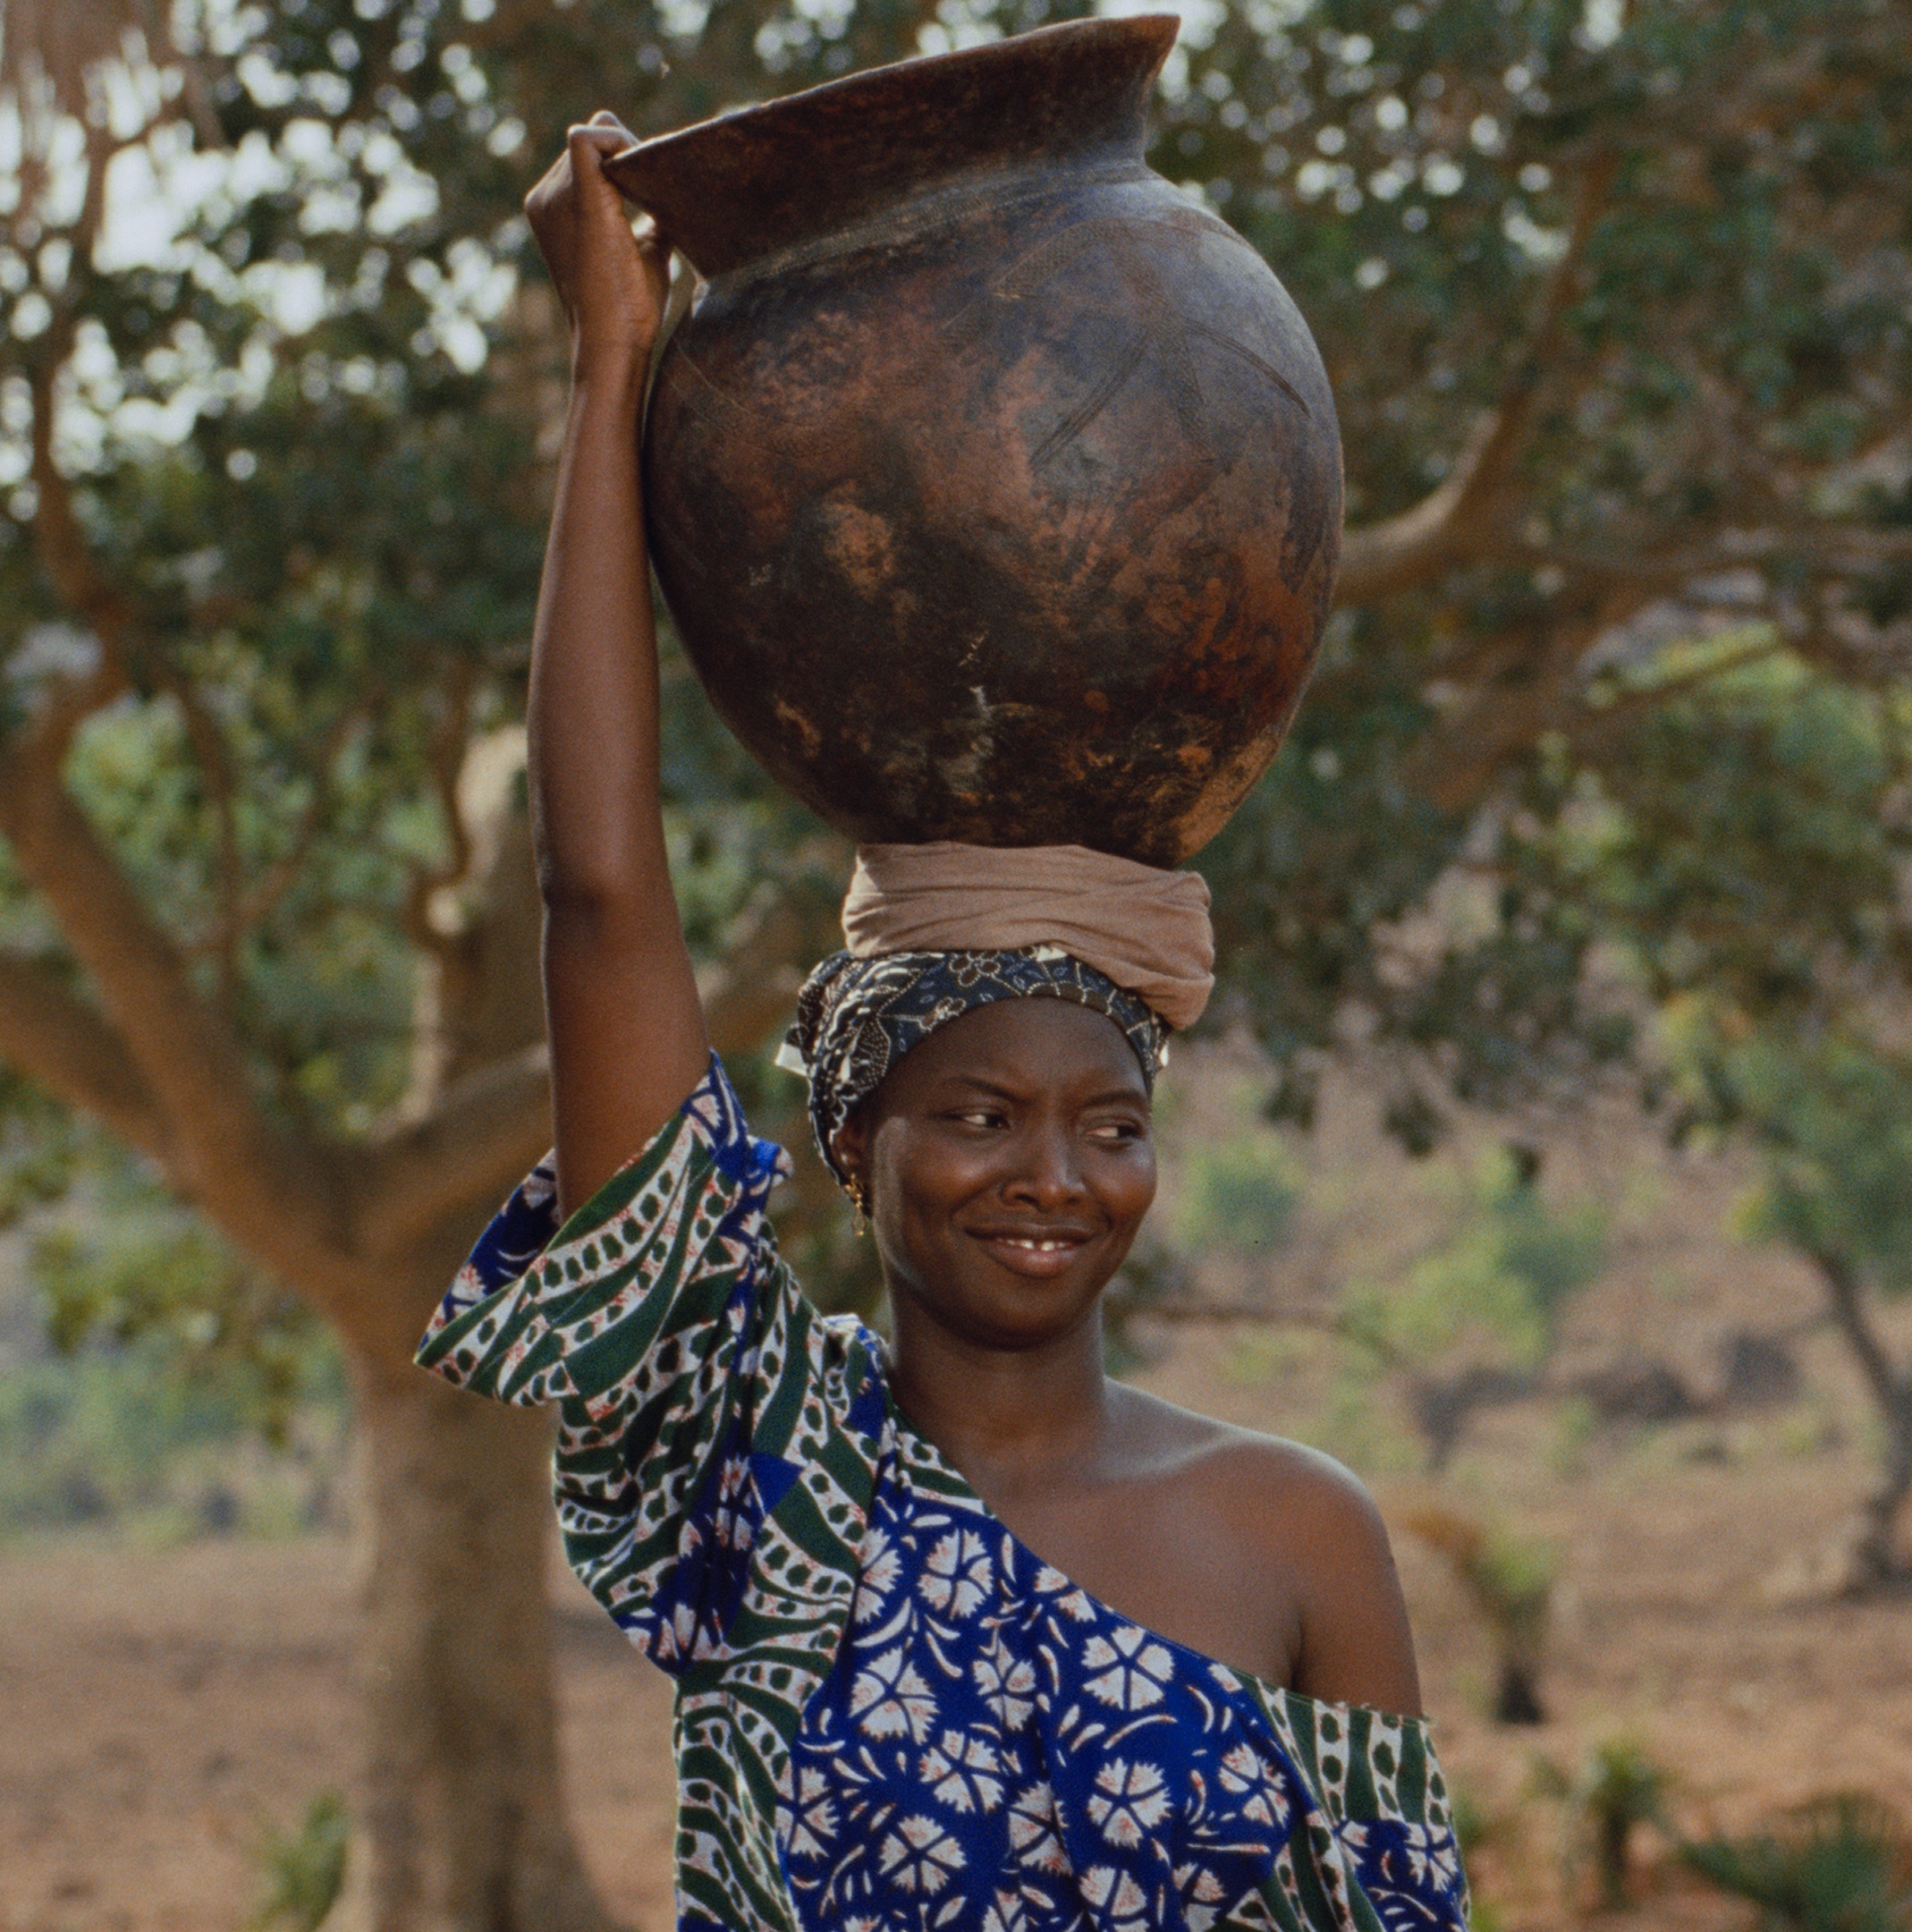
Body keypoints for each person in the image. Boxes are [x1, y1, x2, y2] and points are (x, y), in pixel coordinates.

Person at [418, 117, 1466, 1932]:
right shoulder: (757, 1463)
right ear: (854, 1136)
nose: (1056, 1177)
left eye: (1111, 1125)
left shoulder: (1299, 1535)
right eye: (980, 1115)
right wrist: (609, 373)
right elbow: (597, 896)